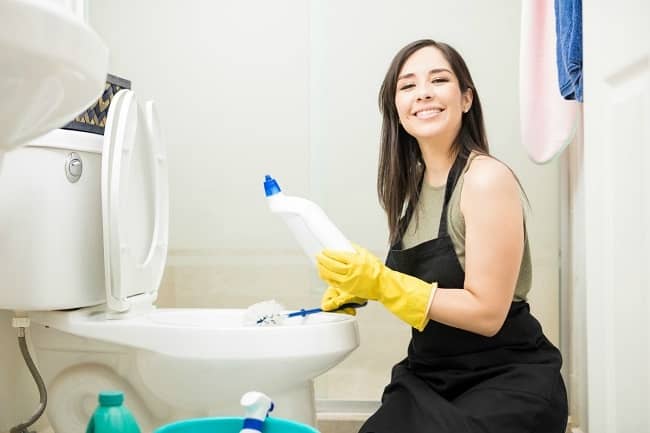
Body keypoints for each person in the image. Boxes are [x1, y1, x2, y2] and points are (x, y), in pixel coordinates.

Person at [316, 39, 568, 433]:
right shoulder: (412, 188)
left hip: (505, 377)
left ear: (466, 99)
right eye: (408, 85)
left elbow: (487, 314)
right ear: (397, 110)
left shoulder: (484, 179)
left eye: (439, 79)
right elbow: (421, 287)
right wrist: (360, 288)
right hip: (430, 375)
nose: (424, 93)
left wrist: (384, 284)